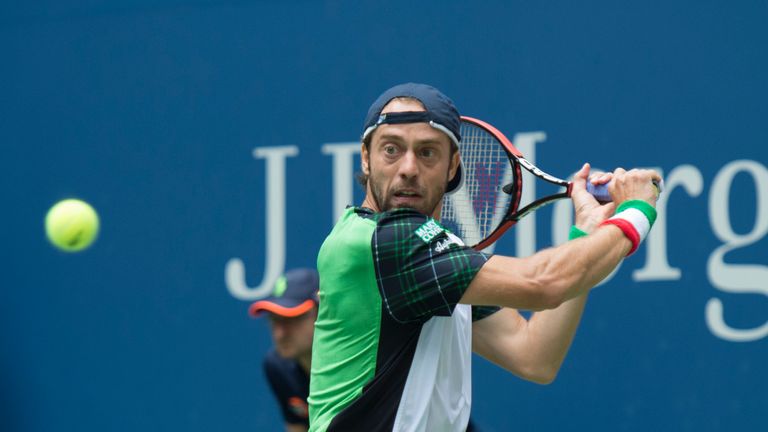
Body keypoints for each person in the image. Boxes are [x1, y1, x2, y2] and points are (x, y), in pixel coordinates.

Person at [307, 83, 662, 432]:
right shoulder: (386, 241)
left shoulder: (432, 260)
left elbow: (535, 355)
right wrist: (634, 213)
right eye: (391, 150)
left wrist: (588, 231)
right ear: (366, 158)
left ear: (452, 167)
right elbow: (544, 283)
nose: (408, 168)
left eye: (427, 152)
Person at [249, 268, 319, 432]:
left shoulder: (359, 362)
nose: (279, 333)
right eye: (274, 319)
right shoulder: (277, 367)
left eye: (290, 318)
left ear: (321, 313)